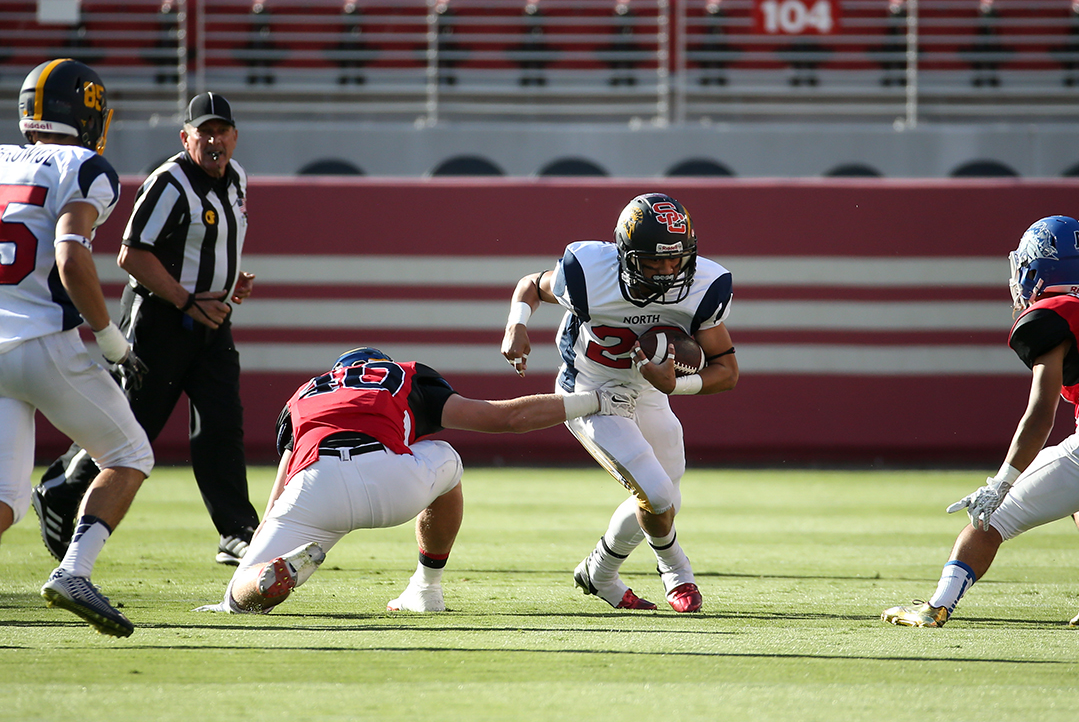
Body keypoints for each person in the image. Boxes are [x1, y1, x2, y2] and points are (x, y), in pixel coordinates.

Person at [882, 216, 1079, 629]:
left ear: (1038, 267)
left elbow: (1041, 411)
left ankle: (935, 606)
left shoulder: (1051, 315)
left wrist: (1001, 482)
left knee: (989, 519)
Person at [196, 347, 636, 614]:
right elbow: (507, 418)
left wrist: (259, 553)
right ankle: (425, 588)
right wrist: (593, 400)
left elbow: (280, 489)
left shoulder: (304, 395)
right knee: (446, 457)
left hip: (315, 485)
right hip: (392, 483)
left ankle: (274, 575)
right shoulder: (404, 376)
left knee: (238, 595)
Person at [33, 92, 259, 566]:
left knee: (222, 424)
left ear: (235, 136)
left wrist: (229, 278)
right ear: (186, 138)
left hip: (211, 322)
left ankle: (236, 530)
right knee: (130, 426)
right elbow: (131, 253)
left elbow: (213, 241)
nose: (215, 140)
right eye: (205, 132)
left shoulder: (235, 178)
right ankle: (60, 485)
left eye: (222, 131)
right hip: (161, 321)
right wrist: (186, 298)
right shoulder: (170, 183)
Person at [500, 193, 738, 613]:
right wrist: (516, 326)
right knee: (658, 495)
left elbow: (726, 370)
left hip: (646, 392)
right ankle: (677, 572)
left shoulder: (704, 286)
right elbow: (531, 285)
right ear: (625, 255)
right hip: (591, 392)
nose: (667, 272)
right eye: (653, 261)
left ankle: (599, 570)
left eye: (675, 260)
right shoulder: (590, 273)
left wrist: (673, 386)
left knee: (667, 498)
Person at [1, 58, 155, 637]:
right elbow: (70, 255)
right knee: (129, 455)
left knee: (7, 499)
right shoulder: (83, 165)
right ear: (86, 111)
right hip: (41, 341)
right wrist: (113, 341)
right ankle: (74, 571)